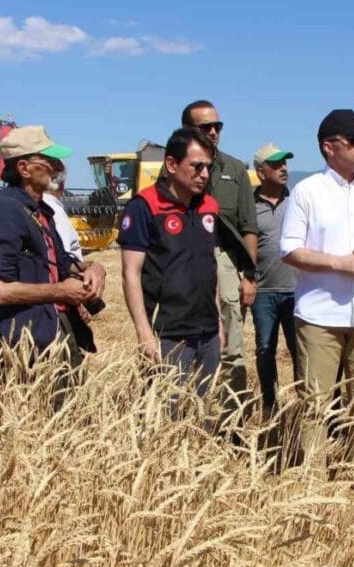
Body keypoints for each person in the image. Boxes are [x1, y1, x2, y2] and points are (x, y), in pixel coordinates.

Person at [279, 108, 354, 479]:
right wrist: (339, 264)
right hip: (320, 315)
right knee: (316, 401)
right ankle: (312, 476)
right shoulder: (306, 192)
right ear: (329, 147)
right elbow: (290, 249)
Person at [0, 126, 105, 408]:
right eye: (49, 161)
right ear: (23, 168)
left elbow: (62, 263)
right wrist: (61, 292)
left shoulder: (41, 211)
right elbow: (0, 291)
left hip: (52, 335)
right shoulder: (6, 211)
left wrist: (93, 268)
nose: (58, 167)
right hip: (21, 342)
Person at [119, 127, 225, 395]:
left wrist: (219, 322)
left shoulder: (209, 206)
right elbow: (130, 273)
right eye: (197, 166)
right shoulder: (144, 207)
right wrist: (144, 332)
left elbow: (210, 266)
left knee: (204, 413)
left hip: (208, 330)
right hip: (168, 333)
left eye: (208, 167)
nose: (204, 174)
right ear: (171, 164)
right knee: (168, 414)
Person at [181, 100, 258, 409]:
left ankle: (231, 419)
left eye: (217, 126)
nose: (213, 132)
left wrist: (249, 276)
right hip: (184, 262)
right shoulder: (171, 170)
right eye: (205, 127)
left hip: (223, 260)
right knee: (185, 343)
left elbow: (248, 227)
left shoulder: (236, 169)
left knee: (231, 346)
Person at [251, 142, 299, 415]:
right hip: (263, 291)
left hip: (297, 290)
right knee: (265, 348)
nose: (284, 168)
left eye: (285, 163)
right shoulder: (249, 205)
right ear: (260, 172)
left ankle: (305, 404)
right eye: (276, 164)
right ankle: (270, 404)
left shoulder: (297, 202)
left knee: (300, 350)